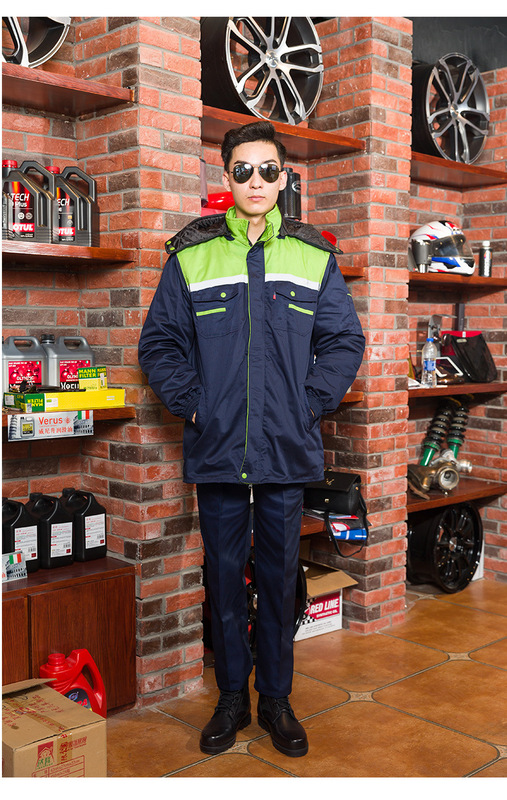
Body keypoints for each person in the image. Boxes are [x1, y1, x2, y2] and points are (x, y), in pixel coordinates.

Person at [138, 120, 365, 758]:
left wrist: (310, 402)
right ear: (226, 177)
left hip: (285, 450)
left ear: (284, 177)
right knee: (222, 578)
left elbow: (344, 340)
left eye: (268, 170)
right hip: (218, 450)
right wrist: (196, 406)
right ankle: (232, 696)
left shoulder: (313, 256)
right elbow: (159, 344)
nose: (256, 181)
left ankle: (277, 700)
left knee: (281, 576)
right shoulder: (192, 256)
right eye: (243, 171)